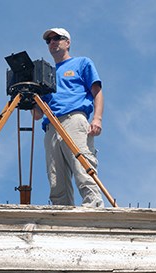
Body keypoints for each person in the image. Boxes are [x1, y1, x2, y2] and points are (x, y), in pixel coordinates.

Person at [32, 28, 104, 207]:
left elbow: (97, 92)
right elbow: (37, 115)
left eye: (57, 38)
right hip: (50, 126)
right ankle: (60, 212)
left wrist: (97, 119)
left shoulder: (82, 63)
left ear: (67, 42)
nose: (52, 42)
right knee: (56, 175)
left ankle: (93, 206)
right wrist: (31, 96)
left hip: (73, 119)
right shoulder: (46, 74)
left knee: (82, 165)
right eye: (48, 40)